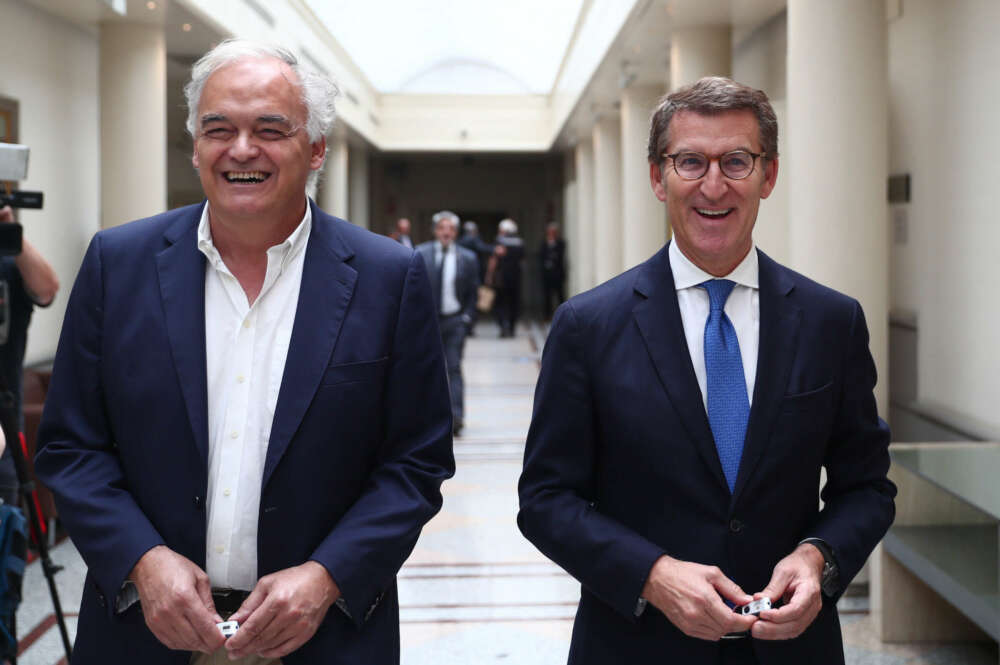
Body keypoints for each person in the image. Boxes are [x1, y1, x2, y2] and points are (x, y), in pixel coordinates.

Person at [35, 40, 454, 665]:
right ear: (195, 146)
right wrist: (142, 562)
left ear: (315, 149)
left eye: (270, 129)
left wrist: (327, 576)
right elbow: (71, 446)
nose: (241, 149)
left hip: (324, 636)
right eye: (218, 129)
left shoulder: (387, 277)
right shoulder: (116, 265)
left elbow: (415, 463)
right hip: (142, 634)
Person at [517, 77, 895, 664]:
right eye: (690, 161)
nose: (713, 185)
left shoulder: (831, 321)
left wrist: (818, 556)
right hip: (636, 646)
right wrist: (652, 574)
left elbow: (867, 486)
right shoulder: (587, 326)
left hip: (790, 649)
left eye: (736, 162)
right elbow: (545, 499)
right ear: (656, 176)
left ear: (768, 176)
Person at [0, 205, 58, 505]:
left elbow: (47, 289)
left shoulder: (10, 264)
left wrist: (12, 232)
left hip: (4, 430)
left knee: (7, 534)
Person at [416, 211, 479, 435]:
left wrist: (467, 317)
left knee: (453, 367)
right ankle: (428, 418)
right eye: (442, 228)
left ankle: (456, 417)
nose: (446, 232)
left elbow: (473, 292)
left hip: (455, 320)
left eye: (451, 229)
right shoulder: (420, 254)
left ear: (456, 232)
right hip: (428, 322)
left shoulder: (468, 258)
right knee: (427, 370)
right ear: (435, 231)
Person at [493, 218, 523, 338]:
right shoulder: (520, 242)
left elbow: (494, 259)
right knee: (513, 303)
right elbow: (522, 260)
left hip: (502, 277)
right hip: (516, 277)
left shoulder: (500, 241)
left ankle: (503, 326)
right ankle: (511, 327)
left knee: (500, 303)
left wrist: (490, 276)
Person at [538, 221, 566, 320]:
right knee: (547, 296)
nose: (551, 233)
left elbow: (559, 255)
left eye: (553, 231)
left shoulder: (560, 242)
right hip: (547, 274)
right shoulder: (544, 243)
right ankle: (547, 315)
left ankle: (563, 315)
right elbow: (541, 255)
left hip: (557, 274)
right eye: (550, 231)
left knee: (560, 295)